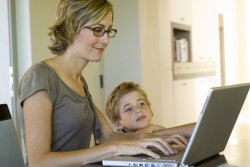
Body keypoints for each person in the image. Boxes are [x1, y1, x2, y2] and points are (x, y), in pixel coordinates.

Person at [17, 0, 188, 167]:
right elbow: (38, 162)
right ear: (72, 27)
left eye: (108, 30)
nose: (106, 40)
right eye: (98, 30)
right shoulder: (40, 76)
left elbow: (108, 136)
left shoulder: (78, 81)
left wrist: (154, 139)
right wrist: (112, 149)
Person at [106, 81, 195, 137]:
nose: (138, 110)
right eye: (129, 109)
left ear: (150, 109)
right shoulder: (116, 141)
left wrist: (159, 133)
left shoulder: (154, 130)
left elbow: (197, 129)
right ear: (118, 124)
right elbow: (133, 141)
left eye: (141, 104)